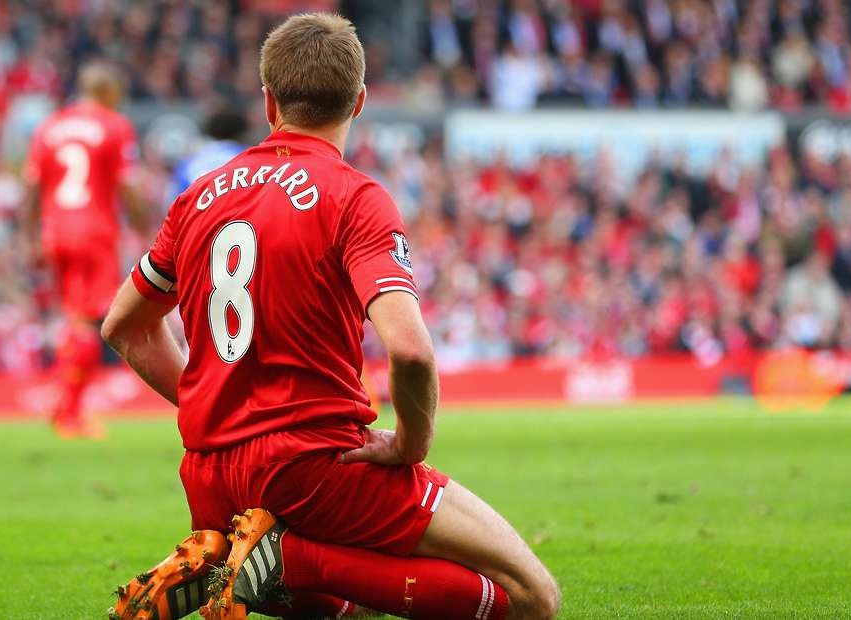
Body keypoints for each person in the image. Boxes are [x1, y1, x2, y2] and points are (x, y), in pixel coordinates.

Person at [103, 13, 559, 620]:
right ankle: (288, 560)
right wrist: (409, 446)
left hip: (212, 479)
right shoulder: (354, 197)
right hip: (315, 466)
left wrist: (211, 408)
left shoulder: (198, 196)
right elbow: (412, 349)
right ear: (361, 100)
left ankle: (234, 557)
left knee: (358, 600)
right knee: (532, 597)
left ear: (269, 102)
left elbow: (123, 327)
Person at [24, 60, 146, 439]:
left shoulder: (51, 126)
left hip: (55, 230)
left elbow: (31, 187)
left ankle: (65, 406)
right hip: (93, 231)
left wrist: (31, 237)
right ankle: (70, 413)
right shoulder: (113, 125)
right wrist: (147, 226)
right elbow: (126, 185)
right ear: (110, 93)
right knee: (88, 320)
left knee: (74, 317)